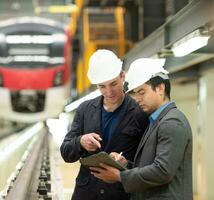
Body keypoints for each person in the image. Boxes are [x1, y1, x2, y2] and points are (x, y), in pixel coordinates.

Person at [90, 58, 193, 200]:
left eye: (142, 92)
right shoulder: (156, 121)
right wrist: (126, 164)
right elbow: (150, 165)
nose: (137, 99)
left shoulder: (172, 122)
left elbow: (162, 171)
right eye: (135, 93)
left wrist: (120, 176)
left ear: (160, 88)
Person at [60, 49, 148, 200]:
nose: (109, 92)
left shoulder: (139, 112)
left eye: (113, 84)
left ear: (122, 76)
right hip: (86, 193)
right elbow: (66, 152)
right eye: (102, 86)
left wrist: (126, 163)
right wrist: (80, 142)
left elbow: (146, 163)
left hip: (119, 194)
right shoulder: (85, 110)